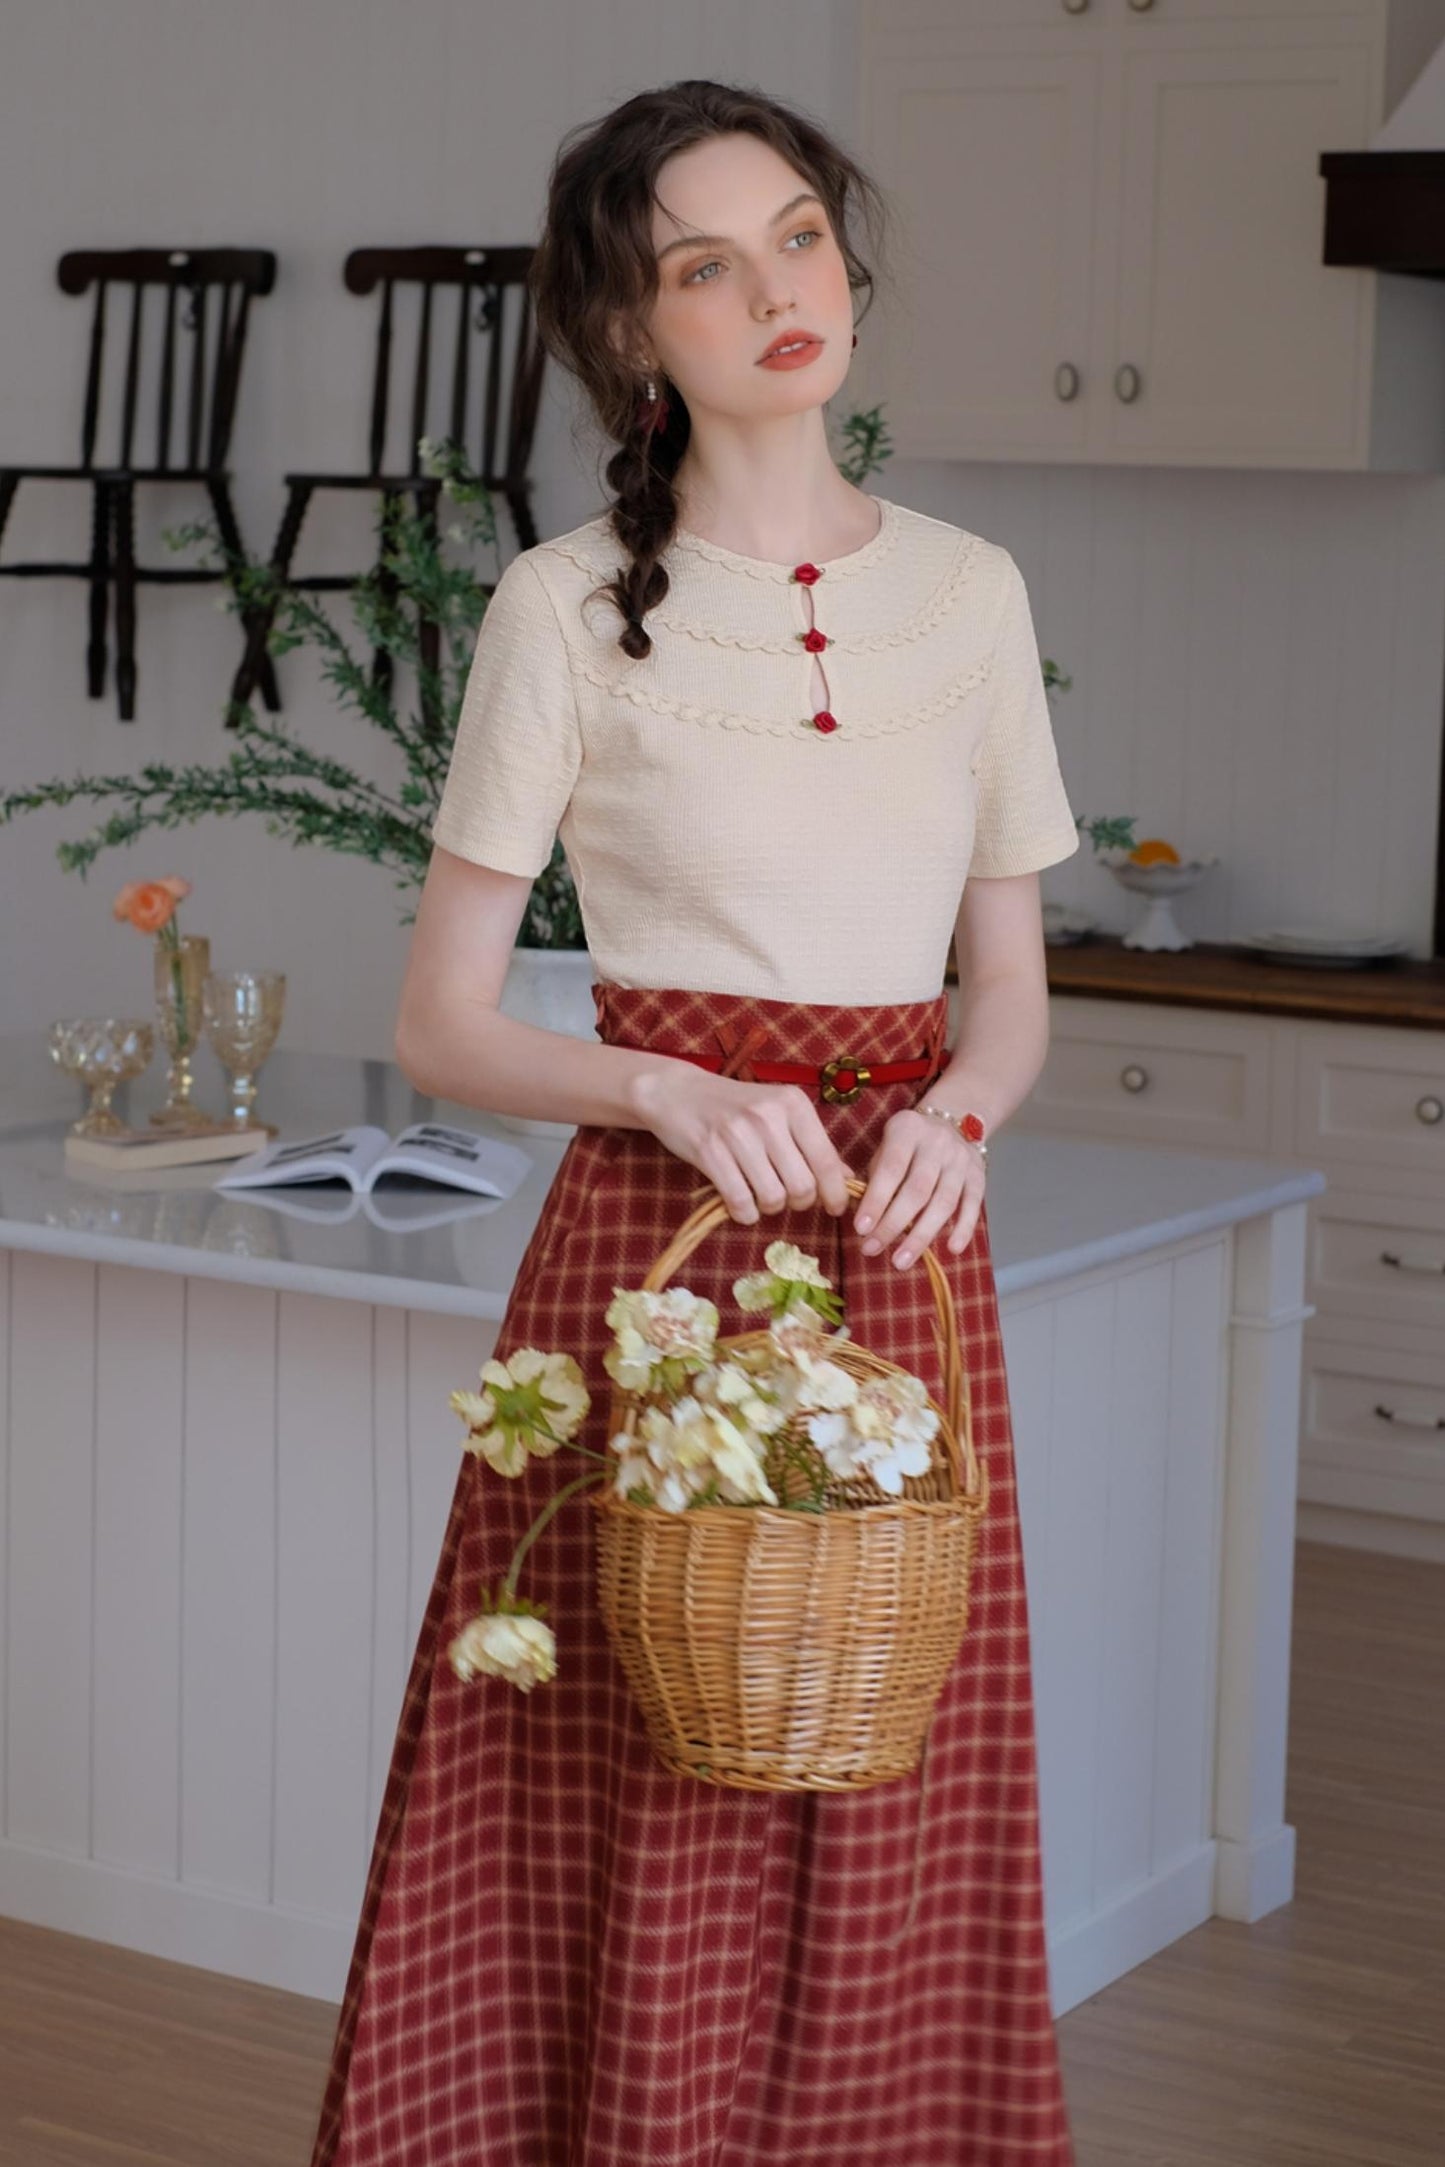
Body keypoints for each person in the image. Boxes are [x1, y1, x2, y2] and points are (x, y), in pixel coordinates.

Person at [309, 77, 1082, 2167]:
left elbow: (1006, 988)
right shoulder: (561, 612)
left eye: (802, 236)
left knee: (890, 1778)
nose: (776, 291)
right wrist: (664, 1081)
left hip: (909, 1261)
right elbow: (445, 1020)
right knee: (615, 1781)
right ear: (634, 335)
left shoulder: (976, 594)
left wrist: (966, 1117)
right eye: (705, 266)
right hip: (649, 1266)